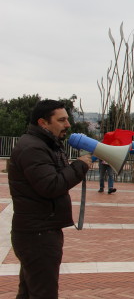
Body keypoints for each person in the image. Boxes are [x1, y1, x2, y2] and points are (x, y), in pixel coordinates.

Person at [8, 99, 93, 297]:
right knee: (43, 292)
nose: (68, 125)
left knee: (30, 291)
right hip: (38, 234)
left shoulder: (42, 144)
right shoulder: (34, 148)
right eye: (61, 120)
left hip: (37, 231)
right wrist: (79, 166)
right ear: (43, 123)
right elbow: (51, 185)